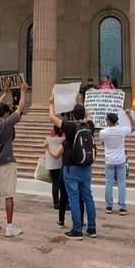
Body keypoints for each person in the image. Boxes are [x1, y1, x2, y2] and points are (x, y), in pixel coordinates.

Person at [48, 99, 97, 240]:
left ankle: (77, 229)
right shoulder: (89, 126)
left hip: (71, 167)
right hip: (86, 167)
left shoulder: (70, 127)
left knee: (74, 197)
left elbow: (52, 118)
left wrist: (51, 104)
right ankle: (92, 228)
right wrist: (80, 102)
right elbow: (88, 115)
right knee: (88, 197)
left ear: (72, 115)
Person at [0, 84, 28, 236]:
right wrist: (23, 92)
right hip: (6, 162)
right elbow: (20, 109)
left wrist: (4, 94)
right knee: (8, 195)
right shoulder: (6, 123)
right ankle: (9, 227)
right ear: (4, 114)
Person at [99, 112, 131, 215]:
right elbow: (133, 127)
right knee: (121, 183)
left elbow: (103, 143)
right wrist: (130, 115)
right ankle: (122, 206)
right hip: (120, 159)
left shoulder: (103, 132)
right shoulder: (122, 130)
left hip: (109, 160)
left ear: (108, 121)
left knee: (109, 183)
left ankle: (109, 205)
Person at [45, 123, 66, 222]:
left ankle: (56, 202)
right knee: (62, 184)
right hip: (61, 162)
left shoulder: (52, 135)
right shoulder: (64, 136)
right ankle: (63, 202)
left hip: (52, 162)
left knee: (55, 184)